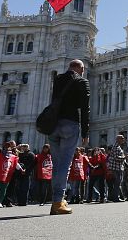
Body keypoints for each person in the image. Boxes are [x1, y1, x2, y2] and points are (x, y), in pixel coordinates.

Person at [46, 59, 90, 215]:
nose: (84, 72)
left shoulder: (57, 79)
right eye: (83, 69)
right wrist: (85, 132)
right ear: (80, 69)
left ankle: (57, 199)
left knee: (57, 166)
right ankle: (58, 201)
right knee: (64, 165)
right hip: (69, 124)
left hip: (53, 125)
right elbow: (85, 108)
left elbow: (53, 101)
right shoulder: (81, 81)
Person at [106, 135, 126, 202]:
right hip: (116, 168)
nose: (123, 139)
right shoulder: (116, 147)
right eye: (122, 138)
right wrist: (123, 157)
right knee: (117, 183)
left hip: (118, 167)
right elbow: (116, 157)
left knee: (117, 183)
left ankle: (115, 197)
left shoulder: (118, 147)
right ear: (118, 139)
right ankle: (116, 197)